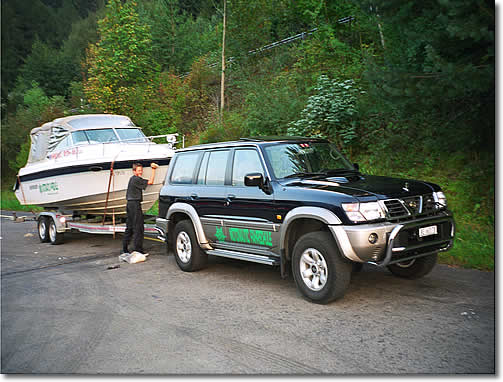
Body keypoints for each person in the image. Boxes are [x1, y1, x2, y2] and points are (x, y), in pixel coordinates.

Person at [122, 162, 159, 255]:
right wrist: (153, 170)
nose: (141, 172)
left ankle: (125, 248)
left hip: (129, 204)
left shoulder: (132, 179)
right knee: (138, 228)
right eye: (139, 170)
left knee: (129, 227)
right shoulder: (136, 179)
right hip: (135, 204)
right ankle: (138, 250)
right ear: (134, 171)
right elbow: (150, 182)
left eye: (141, 170)